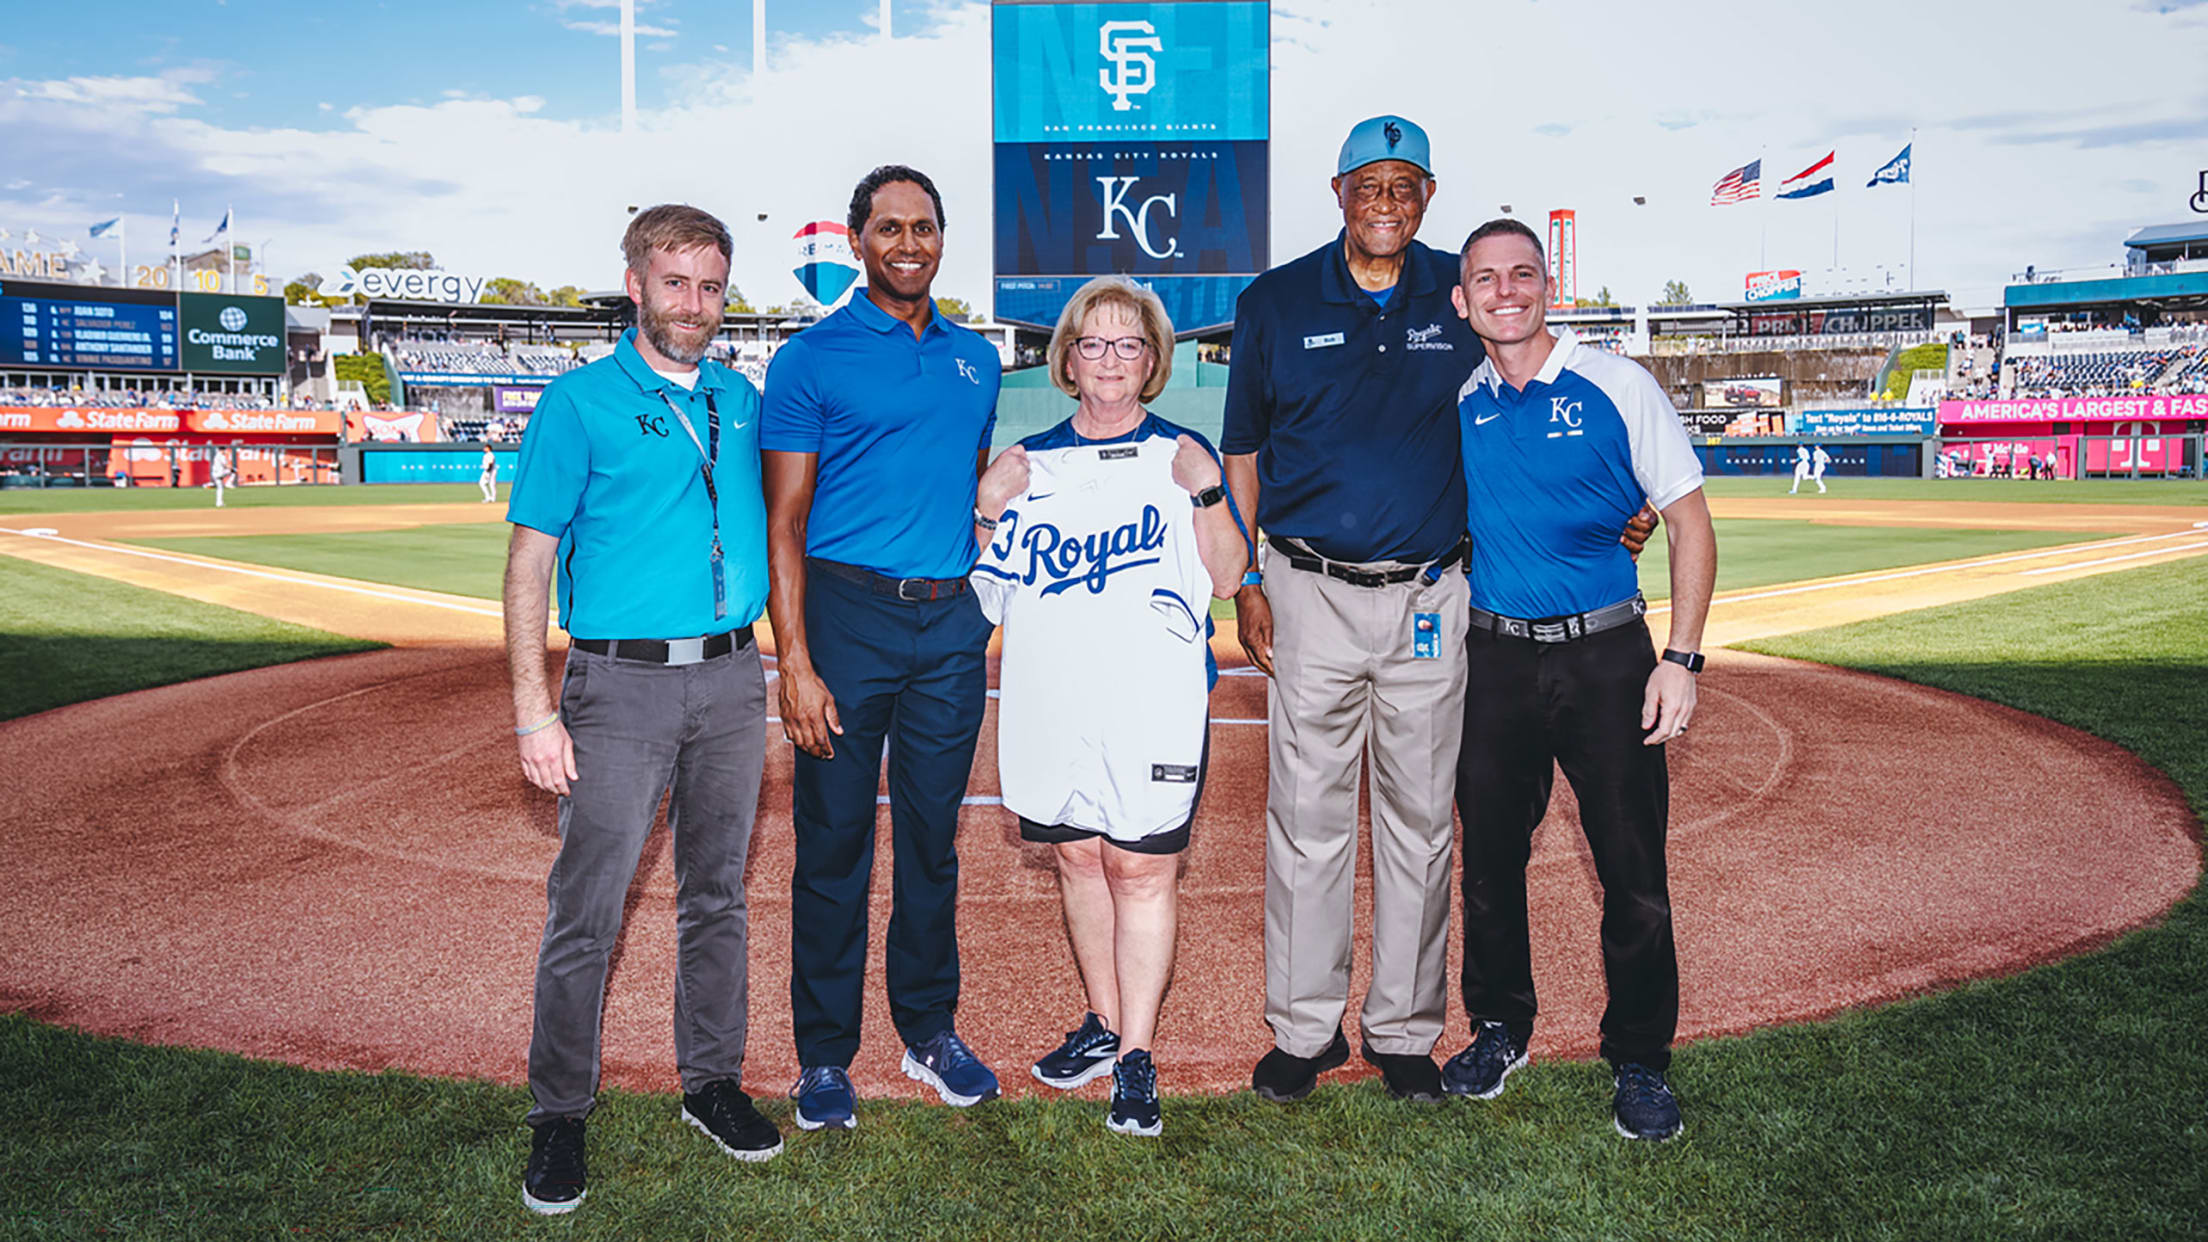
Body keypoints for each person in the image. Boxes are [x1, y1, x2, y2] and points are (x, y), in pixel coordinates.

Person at [1221, 115, 1651, 1105]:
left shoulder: (1463, 290)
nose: (1386, 203)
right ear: (1338, 196)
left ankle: (1405, 1033)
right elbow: (1242, 450)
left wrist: (1626, 491)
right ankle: (1303, 1032)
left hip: (1427, 593)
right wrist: (1243, 579)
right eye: (1368, 186)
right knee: (1306, 821)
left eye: (1404, 187)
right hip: (1306, 586)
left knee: (1420, 823)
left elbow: (1563, 380)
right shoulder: (1276, 301)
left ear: (1426, 197)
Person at [503, 204, 781, 1216]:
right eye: (676, 283)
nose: (695, 305)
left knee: (718, 898)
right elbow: (529, 561)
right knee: (590, 909)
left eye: (711, 286)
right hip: (617, 686)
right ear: (636, 284)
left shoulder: (741, 399)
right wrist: (536, 714)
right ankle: (559, 1115)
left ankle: (709, 1085)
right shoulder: (577, 402)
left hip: (729, 678)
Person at [1443, 217, 1716, 1142]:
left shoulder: (1616, 384)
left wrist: (1681, 658)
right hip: (1495, 657)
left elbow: (1688, 521)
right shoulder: (1461, 402)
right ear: (1463, 298)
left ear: (1547, 287)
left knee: (1632, 868)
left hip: (1607, 656)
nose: (1506, 291)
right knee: (1488, 861)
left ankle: (1640, 1058)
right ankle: (1499, 1028)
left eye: (1523, 274)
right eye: (1487, 278)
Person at [970, 276, 1246, 1137]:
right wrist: (986, 513)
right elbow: (987, 600)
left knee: (1142, 868)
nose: (1111, 360)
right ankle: (1102, 1020)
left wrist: (1205, 493)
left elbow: (1231, 577)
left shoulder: (1183, 459)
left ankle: (1137, 1054)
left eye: (1130, 344)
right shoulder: (1029, 468)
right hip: (1055, 702)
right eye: (1094, 343)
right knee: (1080, 861)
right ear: (1067, 360)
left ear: (1155, 360)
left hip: (1153, 704)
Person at [761, 165, 1007, 1130]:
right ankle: (825, 1057)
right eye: (890, 227)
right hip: (847, 616)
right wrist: (797, 662)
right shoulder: (810, 359)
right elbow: (784, 523)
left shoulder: (976, 360)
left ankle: (928, 1031)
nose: (910, 243)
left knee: (933, 846)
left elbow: (974, 484)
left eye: (926, 227)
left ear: (942, 238)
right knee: (832, 846)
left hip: (949, 624)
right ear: (858, 242)